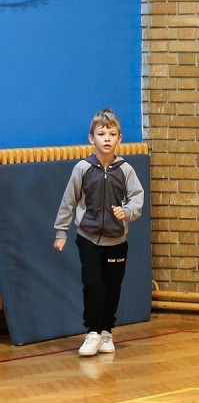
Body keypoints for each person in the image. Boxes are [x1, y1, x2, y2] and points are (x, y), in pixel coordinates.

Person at [53, 108, 145, 357]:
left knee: (112, 288)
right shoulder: (82, 168)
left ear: (119, 139)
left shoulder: (125, 170)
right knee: (93, 285)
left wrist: (127, 212)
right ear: (91, 138)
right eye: (102, 134)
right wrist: (61, 232)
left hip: (117, 241)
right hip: (88, 239)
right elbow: (68, 201)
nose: (107, 139)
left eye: (112, 134)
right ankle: (93, 332)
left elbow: (137, 198)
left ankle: (106, 332)